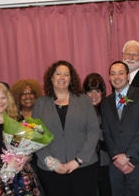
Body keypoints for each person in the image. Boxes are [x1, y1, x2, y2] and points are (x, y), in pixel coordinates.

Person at [32, 60, 100, 196]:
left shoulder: (84, 100)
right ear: (51, 78)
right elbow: (36, 136)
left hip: (84, 167)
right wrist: (53, 163)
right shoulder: (40, 104)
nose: (62, 78)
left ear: (71, 79)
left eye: (66, 74)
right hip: (51, 170)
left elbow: (93, 131)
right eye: (58, 74)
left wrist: (78, 160)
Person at [0, 83, 42, 195]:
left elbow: (28, 144)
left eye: (2, 98)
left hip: (21, 173)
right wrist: (7, 166)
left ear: (8, 99)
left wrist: (25, 158)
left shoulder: (17, 119)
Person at [101, 61, 139, 196]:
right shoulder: (106, 102)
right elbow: (106, 133)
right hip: (116, 165)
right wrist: (118, 159)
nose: (116, 77)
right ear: (109, 78)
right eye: (112, 74)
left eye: (120, 73)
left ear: (128, 76)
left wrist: (127, 156)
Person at [82, 72, 112, 196]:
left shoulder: (110, 111)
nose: (94, 95)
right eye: (90, 91)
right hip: (85, 165)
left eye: (97, 91)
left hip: (106, 164)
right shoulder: (78, 113)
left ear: (103, 92)